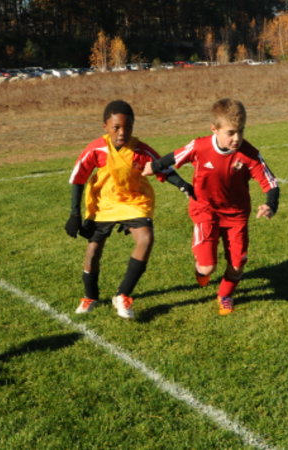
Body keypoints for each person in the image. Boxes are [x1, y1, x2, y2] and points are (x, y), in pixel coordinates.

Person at [142, 98, 279, 315]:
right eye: (231, 133)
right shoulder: (200, 146)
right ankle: (201, 270)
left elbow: (270, 183)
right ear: (214, 129)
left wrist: (270, 204)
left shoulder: (249, 154)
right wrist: (154, 166)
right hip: (205, 209)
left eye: (241, 131)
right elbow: (175, 156)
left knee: (237, 265)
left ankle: (225, 295)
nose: (237, 138)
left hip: (236, 215)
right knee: (207, 267)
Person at [65, 100, 193, 319]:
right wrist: (75, 214)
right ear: (105, 126)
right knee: (93, 251)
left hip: (134, 202)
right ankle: (90, 296)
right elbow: (78, 177)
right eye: (116, 127)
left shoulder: (140, 150)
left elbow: (162, 167)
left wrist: (183, 185)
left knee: (146, 239)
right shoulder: (96, 148)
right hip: (104, 203)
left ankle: (122, 295)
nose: (122, 132)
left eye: (128, 127)